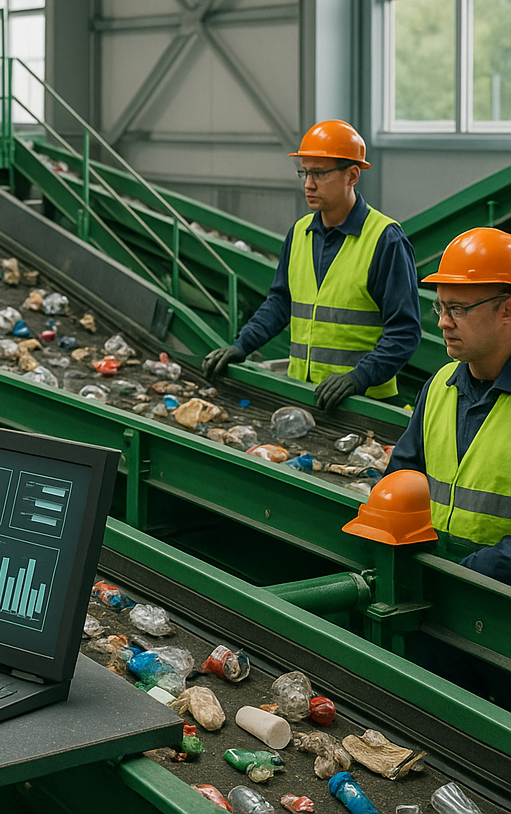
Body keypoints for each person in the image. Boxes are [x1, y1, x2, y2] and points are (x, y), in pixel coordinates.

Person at [202, 120, 421, 410]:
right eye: (304, 172)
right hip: (304, 397)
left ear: (352, 175)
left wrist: (359, 378)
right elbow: (281, 302)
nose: (308, 184)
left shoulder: (385, 240)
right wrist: (241, 345)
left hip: (365, 406)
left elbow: (404, 331)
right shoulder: (300, 233)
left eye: (319, 173)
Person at [384, 227, 511, 707]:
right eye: (440, 307)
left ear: (507, 308)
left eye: (459, 309)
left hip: (499, 617)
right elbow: (403, 473)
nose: (443, 322)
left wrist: (463, 573)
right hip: (435, 606)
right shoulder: (439, 386)